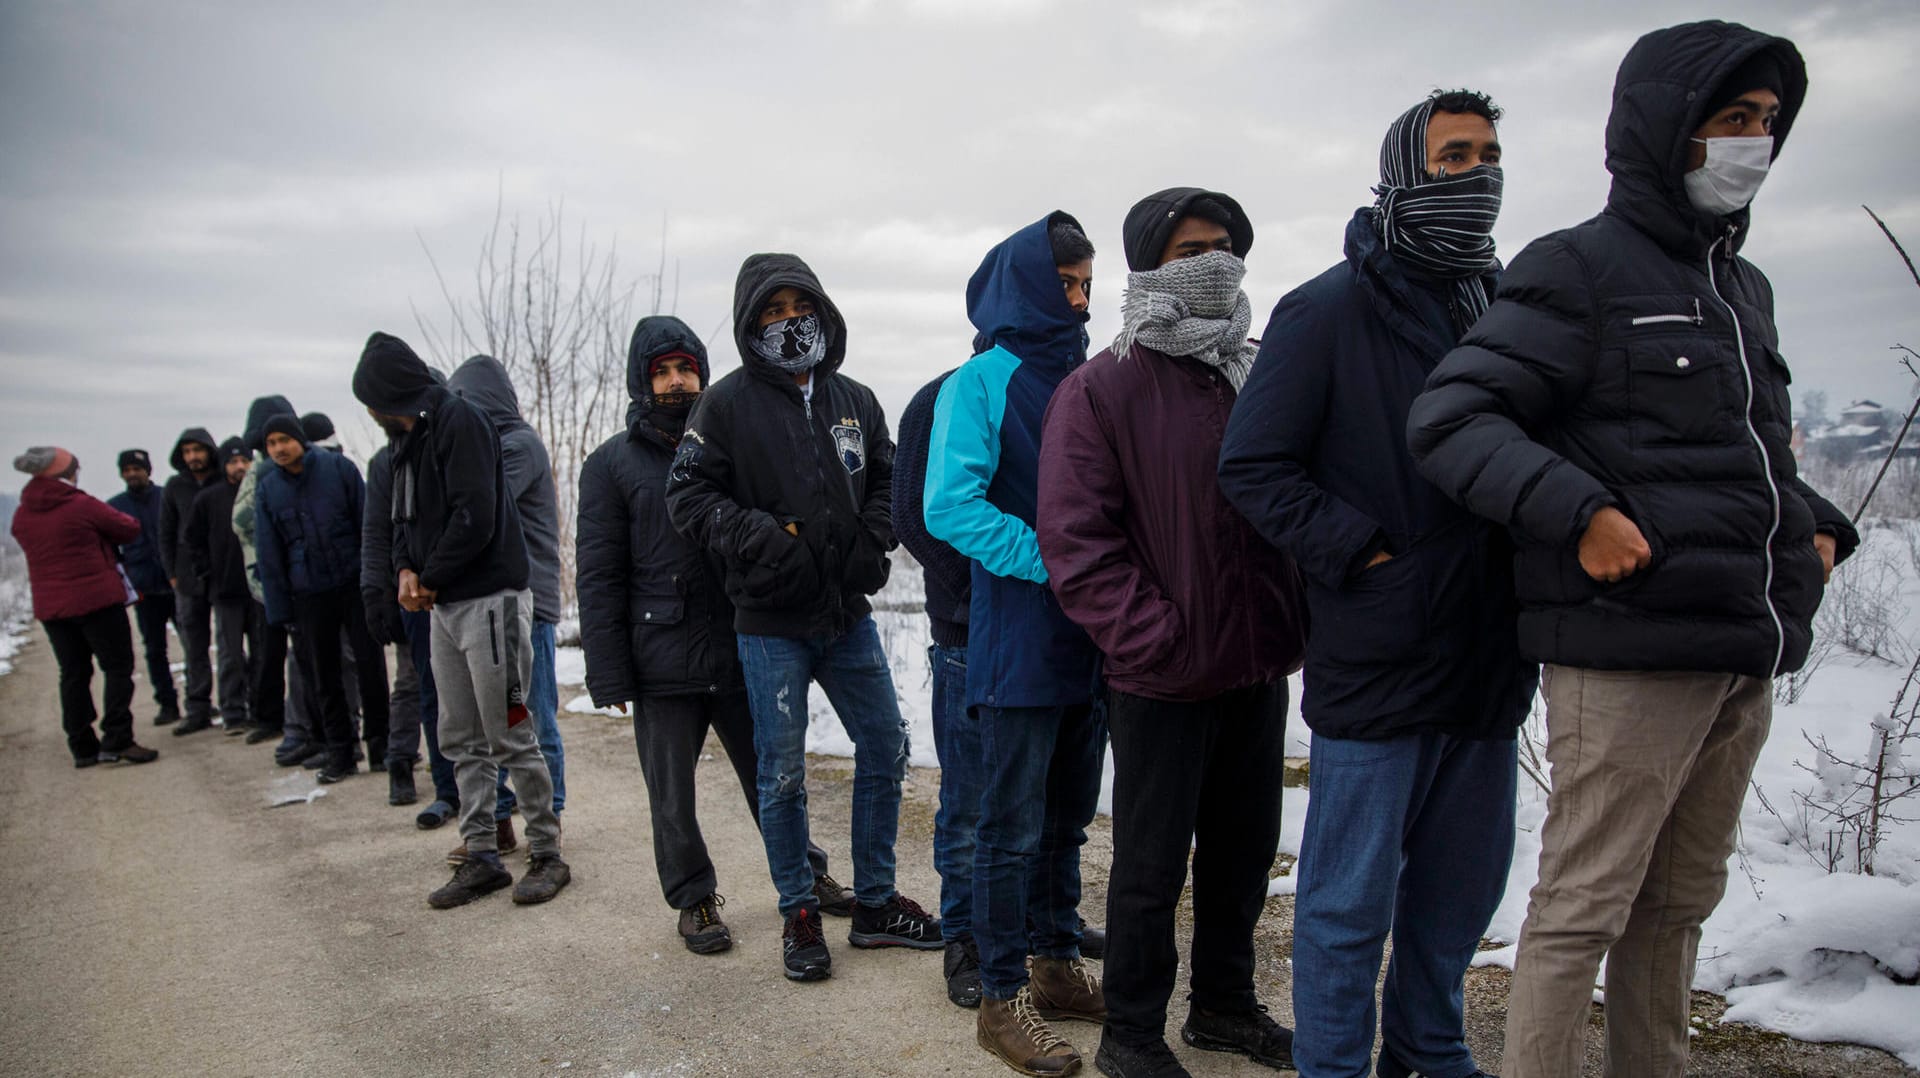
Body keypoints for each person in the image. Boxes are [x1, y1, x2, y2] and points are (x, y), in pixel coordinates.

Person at [1405, 25, 1857, 1078]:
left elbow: (1737, 449)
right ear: (1666, 131)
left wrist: (1821, 524)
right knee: (1583, 907)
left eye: (1767, 124)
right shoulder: (1578, 268)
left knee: (1679, 904)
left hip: (1740, 652)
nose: (1754, 143)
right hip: (1628, 652)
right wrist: (1582, 512)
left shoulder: (1743, 288)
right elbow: (1453, 420)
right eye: (1730, 122)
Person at [1218, 92, 1532, 1078]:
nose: (1474, 174)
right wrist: (1360, 555)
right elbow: (1253, 465)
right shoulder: (1328, 309)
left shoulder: (1510, 308)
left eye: (1487, 155)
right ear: (1403, 170)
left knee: (1460, 891)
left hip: (1489, 654)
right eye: (1451, 157)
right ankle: (1335, 1066)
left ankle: (1429, 1052)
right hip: (1380, 653)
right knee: (1349, 902)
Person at [1045, 188, 1306, 1078]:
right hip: (1160, 675)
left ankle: (1226, 1008)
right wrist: (1152, 636)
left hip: (1257, 662)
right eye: (1190, 248)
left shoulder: (1258, 369)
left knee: (1243, 854)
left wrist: (1292, 614)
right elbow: (1077, 543)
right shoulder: (1103, 387)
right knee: (1151, 868)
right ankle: (1131, 1033)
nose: (1213, 260)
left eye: (1226, 244)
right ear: (1148, 266)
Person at [666, 253, 937, 982]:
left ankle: (876, 905)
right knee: (782, 774)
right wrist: (765, 539)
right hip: (769, 626)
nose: (789, 321)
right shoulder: (723, 406)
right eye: (771, 311)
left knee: (885, 744)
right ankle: (800, 911)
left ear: (822, 308)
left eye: (798, 305)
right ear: (750, 325)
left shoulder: (855, 399)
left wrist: (869, 535)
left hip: (847, 616)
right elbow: (687, 497)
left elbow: (887, 474)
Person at [579, 314, 842, 954]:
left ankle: (807, 876)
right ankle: (694, 900)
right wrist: (608, 670)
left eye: (686, 368)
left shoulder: (729, 439)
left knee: (773, 775)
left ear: (702, 370)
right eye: (662, 371)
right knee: (670, 794)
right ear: (642, 381)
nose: (676, 382)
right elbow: (599, 573)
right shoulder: (610, 465)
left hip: (736, 642)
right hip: (658, 657)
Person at [924, 213, 1106, 1076]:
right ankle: (1001, 1000)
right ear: (1024, 282)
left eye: (1084, 283)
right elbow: (948, 507)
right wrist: (1057, 560)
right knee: (1006, 828)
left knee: (1067, 818)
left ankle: (1057, 961)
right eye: (1064, 282)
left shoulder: (1091, 375)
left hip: (1092, 637)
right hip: (1020, 639)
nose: (1078, 298)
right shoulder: (982, 381)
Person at [354, 330, 569, 909]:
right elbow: (401, 520)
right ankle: (481, 855)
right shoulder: (408, 439)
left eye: (374, 402)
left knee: (511, 732)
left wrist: (429, 575)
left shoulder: (462, 422)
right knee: (458, 737)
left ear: (392, 392)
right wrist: (404, 571)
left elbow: (475, 515)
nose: (373, 414)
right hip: (443, 608)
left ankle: (547, 852)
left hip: (491, 601)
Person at [448, 356, 568, 857]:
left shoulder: (518, 447)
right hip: (495, 603)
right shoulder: (491, 449)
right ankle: (499, 821)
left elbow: (484, 509)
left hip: (530, 600)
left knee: (532, 714)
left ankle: (551, 813)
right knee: (488, 719)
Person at [255, 415, 391, 786]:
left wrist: (379, 583)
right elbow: (270, 554)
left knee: (370, 666)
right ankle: (341, 751)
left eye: (284, 440)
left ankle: (382, 745)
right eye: (271, 444)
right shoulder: (268, 489)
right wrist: (280, 609)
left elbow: (369, 526)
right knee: (323, 674)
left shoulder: (338, 470)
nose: (279, 449)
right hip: (308, 593)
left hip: (353, 583)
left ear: (300, 439)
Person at [11, 447, 158, 767]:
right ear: (66, 473)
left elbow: (22, 537)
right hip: (98, 602)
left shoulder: (24, 512)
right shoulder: (80, 504)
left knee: (73, 673)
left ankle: (82, 746)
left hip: (53, 608)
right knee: (117, 668)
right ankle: (117, 738)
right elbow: (128, 528)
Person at [232, 396, 322, 764]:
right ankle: (301, 729)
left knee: (306, 658)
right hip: (275, 580)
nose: (277, 448)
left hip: (293, 580)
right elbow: (244, 520)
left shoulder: (273, 472)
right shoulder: (264, 472)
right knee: (295, 657)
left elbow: (243, 519)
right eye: (270, 441)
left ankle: (308, 730)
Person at [363, 438, 435, 811]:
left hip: (453, 587)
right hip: (408, 592)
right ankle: (401, 762)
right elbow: (376, 531)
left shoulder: (452, 448)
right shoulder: (385, 462)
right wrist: (377, 593)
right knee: (410, 682)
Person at [184, 438, 262, 738]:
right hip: (224, 589)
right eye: (232, 462)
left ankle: (259, 708)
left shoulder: (257, 494)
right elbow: (193, 541)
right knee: (230, 654)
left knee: (261, 652)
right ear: (224, 465)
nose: (239, 466)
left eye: (243, 460)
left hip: (256, 587)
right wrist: (207, 574)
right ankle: (232, 711)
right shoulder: (208, 498)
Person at [106, 447, 181, 729]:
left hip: (175, 583)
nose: (132, 474)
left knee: (193, 643)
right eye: (127, 470)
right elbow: (112, 552)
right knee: (154, 649)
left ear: (147, 470)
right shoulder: (115, 507)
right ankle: (168, 703)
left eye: (137, 469)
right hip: (145, 589)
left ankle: (201, 701)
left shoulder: (165, 497)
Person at [157, 427, 219, 734]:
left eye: (198, 450)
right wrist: (171, 573)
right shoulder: (175, 486)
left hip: (222, 572)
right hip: (187, 577)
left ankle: (240, 700)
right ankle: (198, 707)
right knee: (194, 644)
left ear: (209, 450)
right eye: (187, 452)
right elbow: (165, 533)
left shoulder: (222, 481)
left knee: (231, 640)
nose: (193, 457)